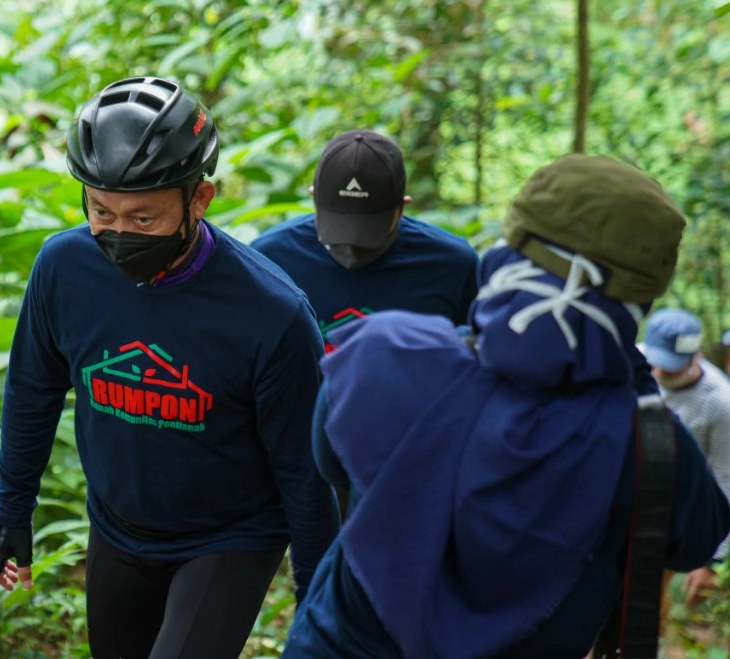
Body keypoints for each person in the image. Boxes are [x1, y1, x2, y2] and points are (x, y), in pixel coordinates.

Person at [283, 154, 730, 659]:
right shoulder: (647, 442)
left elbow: (331, 464)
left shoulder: (387, 354)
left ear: (508, 253)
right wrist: (630, 375)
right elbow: (699, 538)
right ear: (638, 300)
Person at [0, 76, 338, 659]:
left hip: (230, 538)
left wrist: (319, 600)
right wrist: (11, 509)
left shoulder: (271, 313)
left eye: (144, 219)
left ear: (199, 199)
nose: (120, 233)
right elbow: (31, 391)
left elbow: (305, 470)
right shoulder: (64, 269)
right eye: (101, 211)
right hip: (118, 527)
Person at [253, 130, 478, 353]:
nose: (351, 249)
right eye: (339, 225)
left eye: (368, 228)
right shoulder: (269, 259)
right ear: (313, 198)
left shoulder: (453, 265)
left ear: (402, 208)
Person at [641, 308, 730, 607]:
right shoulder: (632, 365)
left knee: (646, 598)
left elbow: (726, 478)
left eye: (671, 366)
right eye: (656, 361)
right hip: (623, 491)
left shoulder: (719, 403)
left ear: (696, 356)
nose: (660, 371)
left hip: (669, 508)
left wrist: (713, 559)